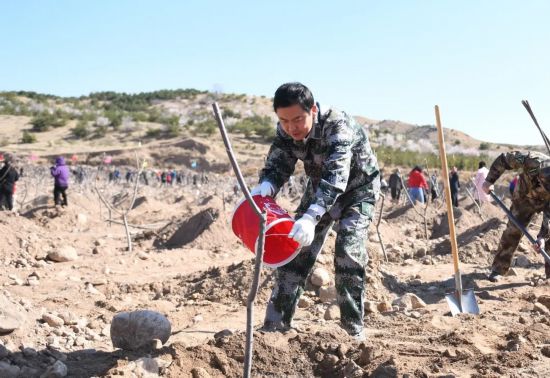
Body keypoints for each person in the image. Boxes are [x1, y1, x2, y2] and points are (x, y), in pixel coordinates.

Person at [252, 82, 380, 341]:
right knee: (295, 250)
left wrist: (311, 217)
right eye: (284, 121)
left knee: (348, 254)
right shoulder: (286, 129)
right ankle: (275, 326)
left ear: (312, 109)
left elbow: (337, 176)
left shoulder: (337, 125)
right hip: (319, 186)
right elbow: (279, 164)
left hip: (357, 189)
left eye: (298, 119)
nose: (291, 127)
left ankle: (352, 332)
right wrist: (268, 184)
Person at [482, 151, 550, 281]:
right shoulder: (532, 160)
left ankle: (549, 277)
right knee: (513, 231)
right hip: (523, 199)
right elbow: (504, 159)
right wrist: (489, 181)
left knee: (549, 237)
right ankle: (498, 269)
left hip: (546, 204)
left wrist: (542, 236)